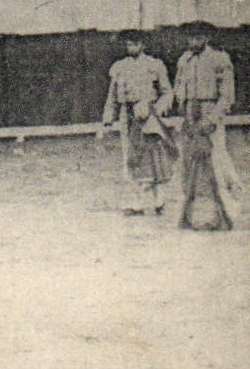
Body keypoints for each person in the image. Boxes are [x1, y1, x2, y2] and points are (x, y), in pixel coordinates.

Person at [100, 29, 175, 215]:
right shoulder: (119, 66)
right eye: (128, 44)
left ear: (143, 45)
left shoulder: (154, 65)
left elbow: (167, 92)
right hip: (128, 114)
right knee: (130, 157)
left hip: (149, 115)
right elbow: (112, 95)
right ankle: (136, 202)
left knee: (153, 156)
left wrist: (155, 109)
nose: (131, 47)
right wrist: (109, 115)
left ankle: (159, 200)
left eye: (135, 43)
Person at [173, 20, 236, 230]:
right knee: (189, 165)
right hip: (190, 116)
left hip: (209, 113)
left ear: (207, 38)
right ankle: (194, 217)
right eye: (191, 37)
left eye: (198, 37)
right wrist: (184, 112)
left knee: (215, 163)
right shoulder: (185, 60)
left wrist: (212, 119)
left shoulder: (219, 59)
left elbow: (227, 96)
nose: (194, 41)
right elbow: (178, 88)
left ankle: (226, 215)